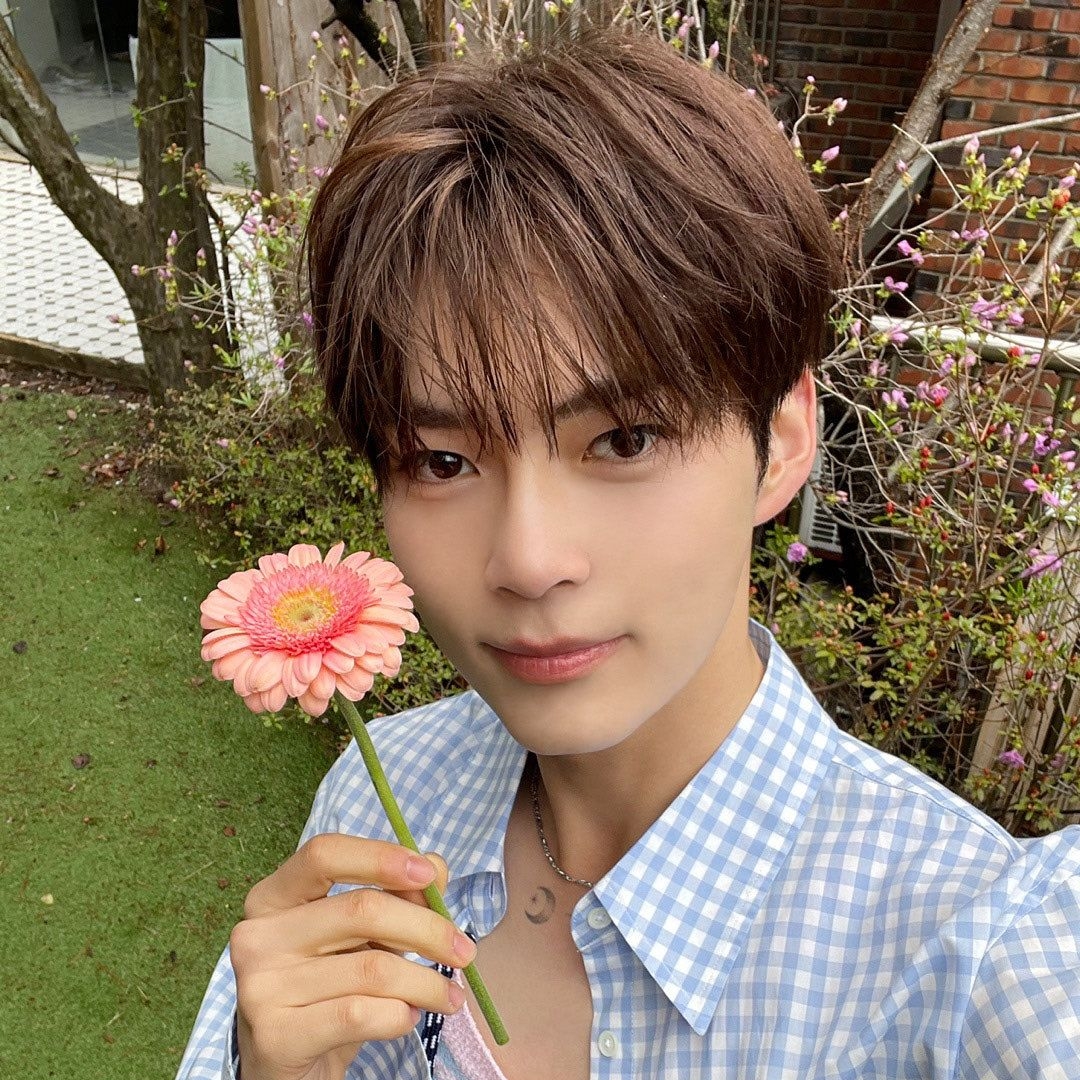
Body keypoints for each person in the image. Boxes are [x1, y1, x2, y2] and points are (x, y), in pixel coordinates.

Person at [176, 26, 1080, 1080]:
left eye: (626, 440)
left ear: (783, 442)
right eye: (441, 460)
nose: (527, 561)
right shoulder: (382, 797)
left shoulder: (981, 957)